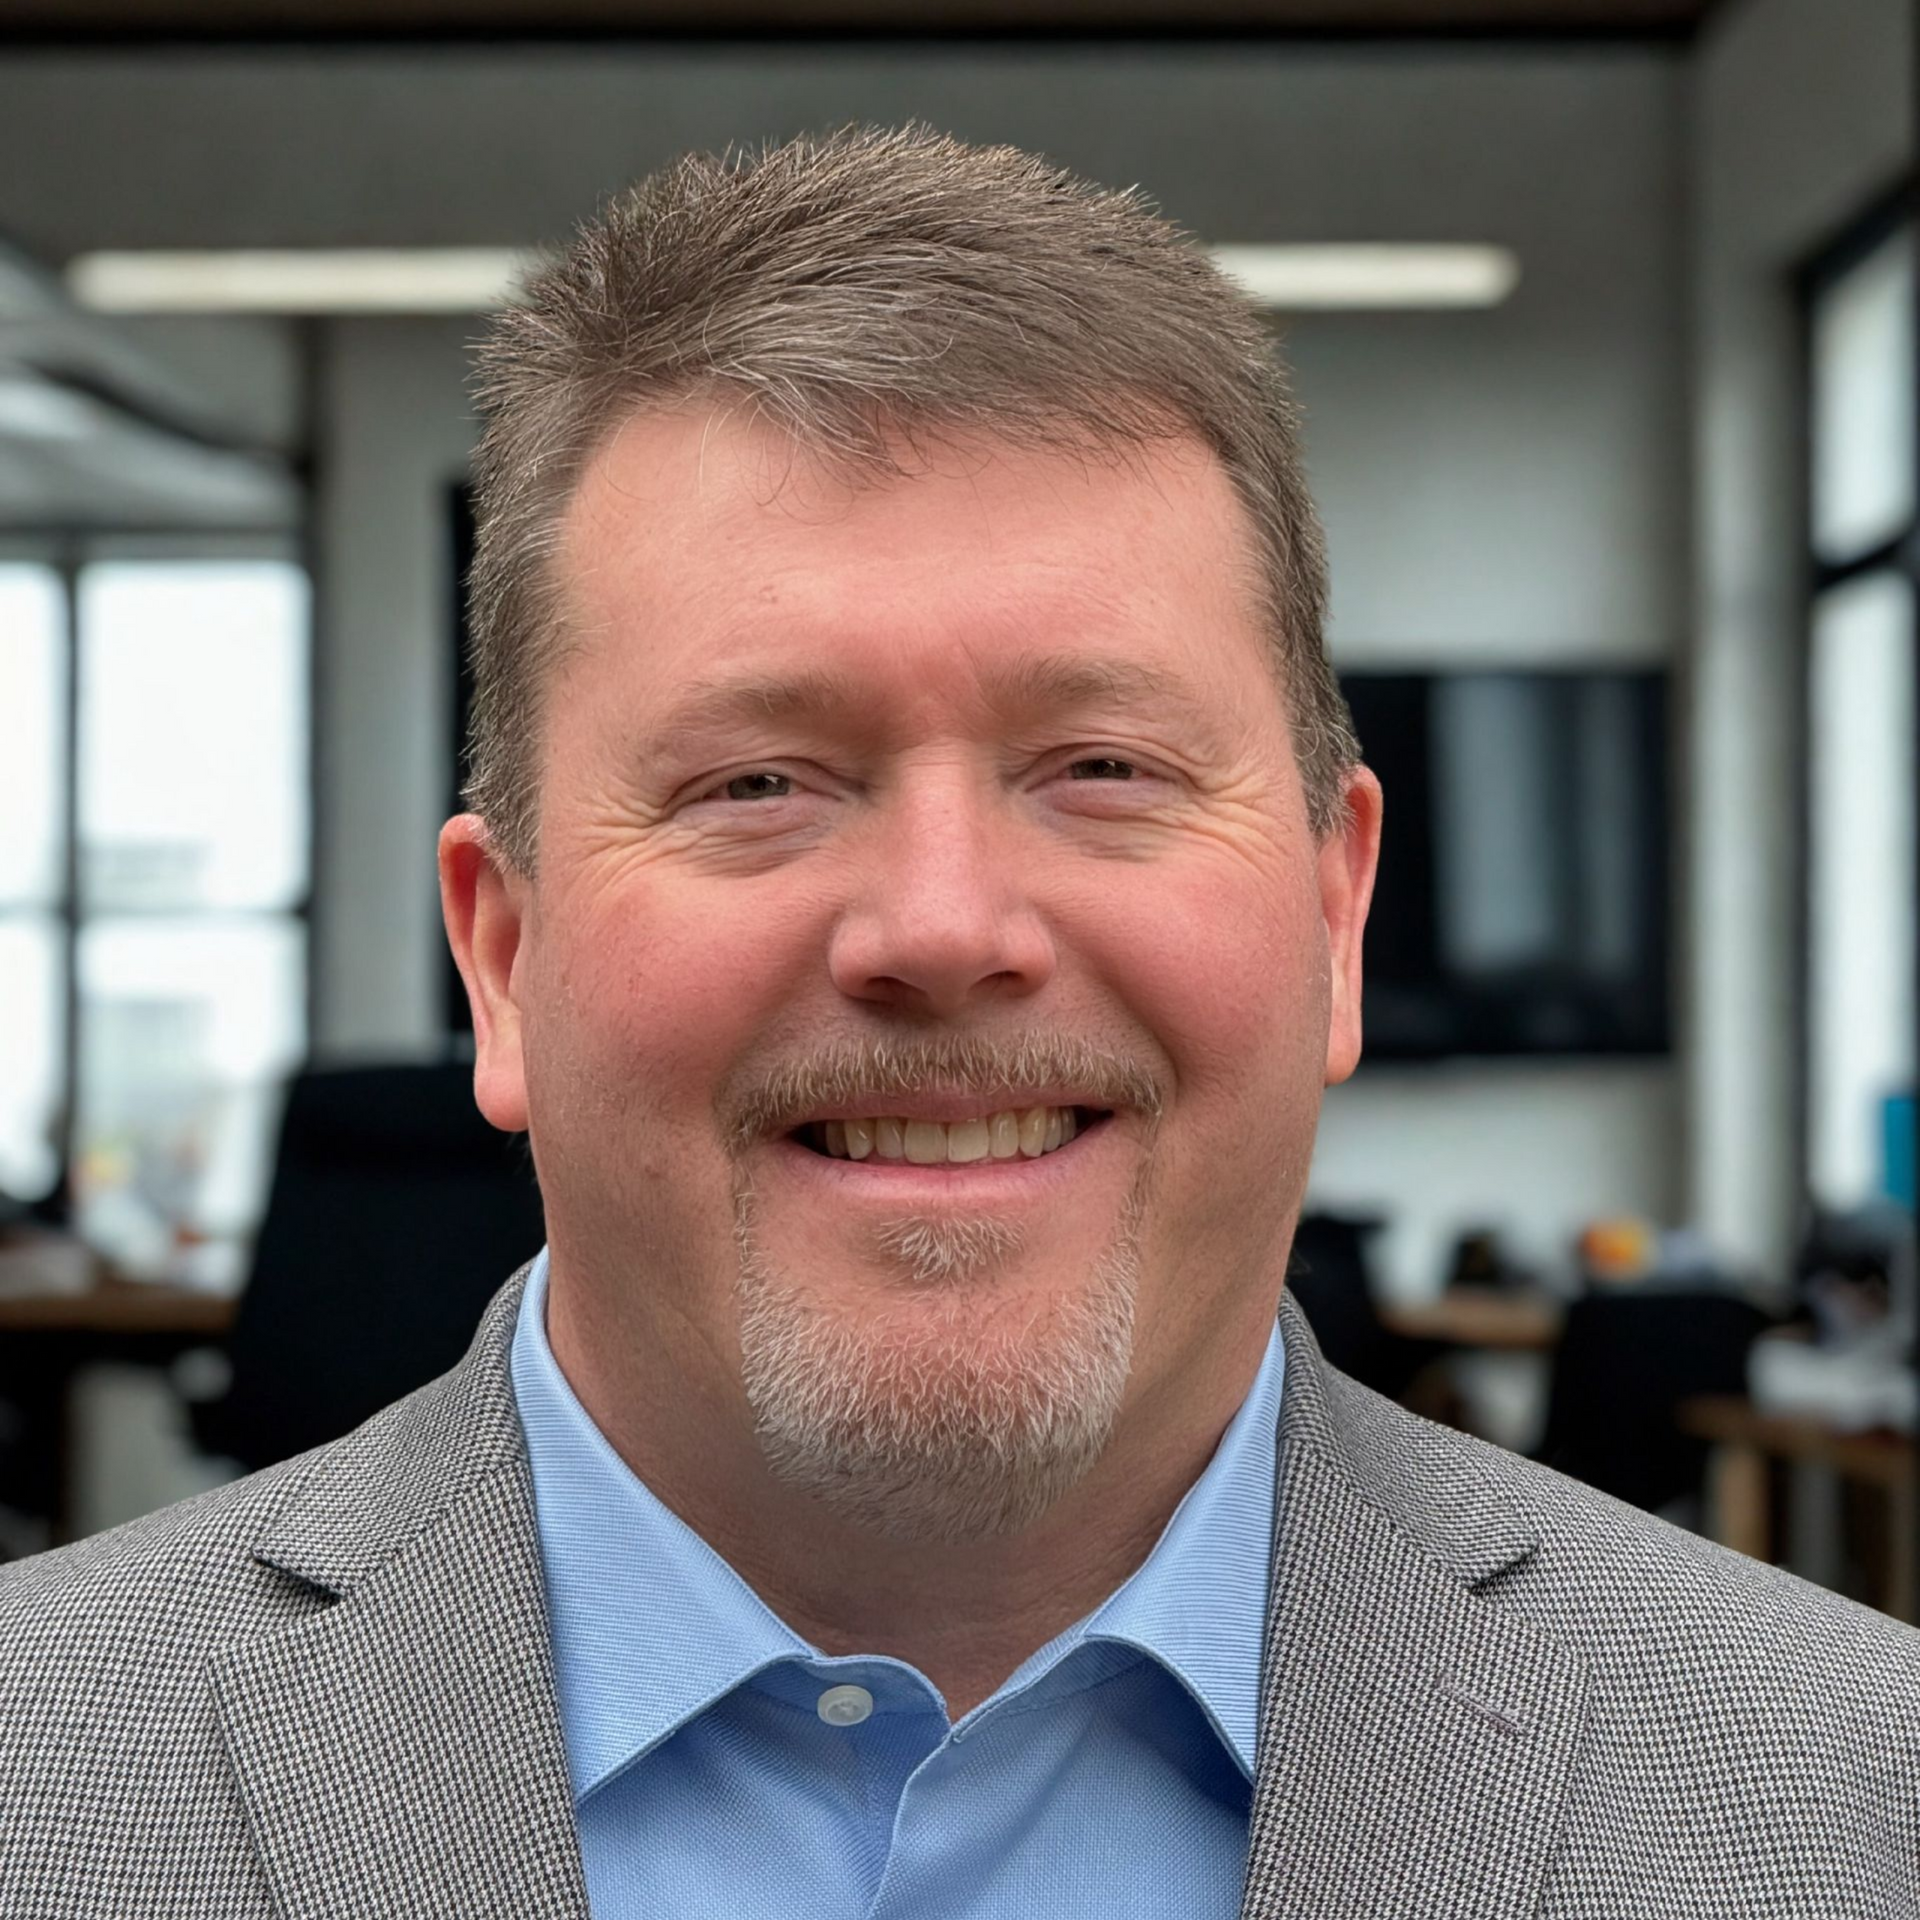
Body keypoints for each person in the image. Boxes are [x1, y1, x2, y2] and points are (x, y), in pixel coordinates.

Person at [2, 128, 1915, 1920]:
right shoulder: (46, 1784)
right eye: (756, 780)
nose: (940, 928)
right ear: (502, 959)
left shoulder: (1855, 1804)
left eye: (1100, 764)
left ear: (1336, 918)